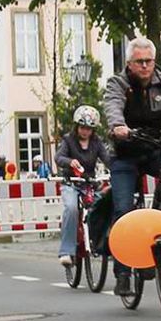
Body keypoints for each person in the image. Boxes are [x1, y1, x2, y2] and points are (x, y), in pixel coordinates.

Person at [103, 37, 161, 295]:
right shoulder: (118, 83)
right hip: (125, 153)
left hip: (155, 147)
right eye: (139, 62)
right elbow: (112, 105)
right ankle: (122, 272)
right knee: (122, 209)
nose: (145, 66)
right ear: (129, 63)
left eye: (149, 61)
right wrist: (117, 126)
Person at [54, 105, 113, 268]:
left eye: (89, 128)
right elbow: (59, 157)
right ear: (77, 127)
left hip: (89, 184)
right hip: (71, 183)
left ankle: (101, 244)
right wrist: (69, 161)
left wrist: (116, 169)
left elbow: (107, 158)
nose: (85, 131)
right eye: (82, 127)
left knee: (102, 206)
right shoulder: (68, 140)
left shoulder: (97, 143)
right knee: (71, 208)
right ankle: (66, 251)